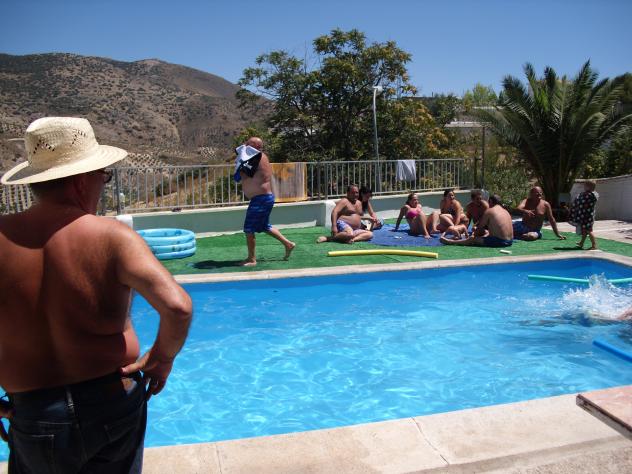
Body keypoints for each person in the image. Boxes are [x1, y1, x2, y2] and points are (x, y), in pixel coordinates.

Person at [0, 117, 193, 473]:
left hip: (35, 411)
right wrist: (162, 358)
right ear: (82, 179)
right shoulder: (112, 237)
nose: (102, 186)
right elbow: (178, 307)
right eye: (103, 177)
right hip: (112, 401)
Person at [236, 137, 295, 266]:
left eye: (248, 144)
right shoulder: (255, 157)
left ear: (256, 146)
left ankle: (252, 259)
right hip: (262, 198)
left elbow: (242, 174)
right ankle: (288, 244)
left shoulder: (257, 157)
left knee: (249, 228)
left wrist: (240, 159)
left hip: (261, 199)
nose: (245, 145)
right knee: (264, 226)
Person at [440, 194, 513, 247]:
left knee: (473, 239)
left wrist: (472, 236)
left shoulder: (489, 210)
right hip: (510, 241)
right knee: (484, 233)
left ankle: (450, 242)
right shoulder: (505, 211)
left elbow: (480, 228)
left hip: (500, 241)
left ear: (490, 201)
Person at [569, 180, 599, 250]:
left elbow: (580, 201)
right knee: (585, 230)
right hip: (587, 216)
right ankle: (581, 243)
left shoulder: (589, 195)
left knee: (589, 230)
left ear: (588, 187)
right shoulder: (592, 194)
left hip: (587, 217)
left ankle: (594, 245)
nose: (584, 187)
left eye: (585, 186)